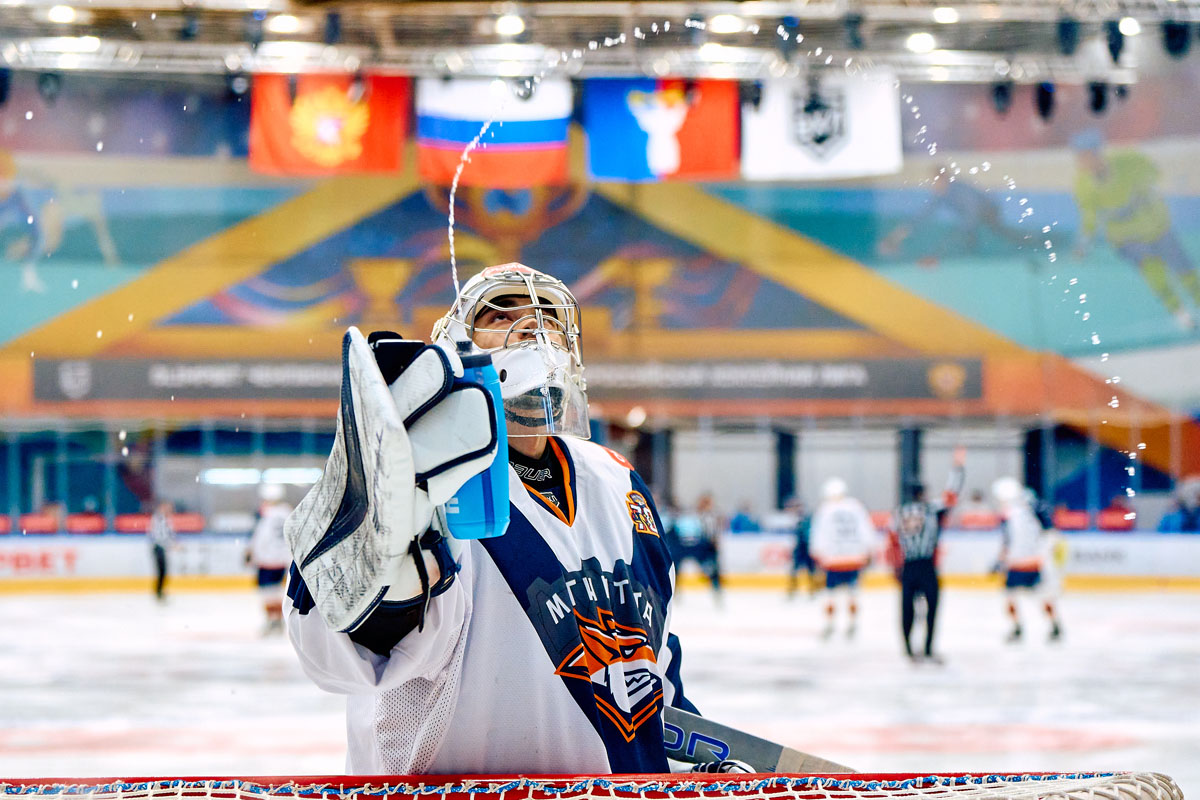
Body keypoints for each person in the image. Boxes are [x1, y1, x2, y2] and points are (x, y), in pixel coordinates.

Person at [283, 263, 710, 775]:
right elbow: (337, 659)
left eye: (548, 319)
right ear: (458, 347)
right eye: (501, 316)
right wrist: (383, 554)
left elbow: (655, 664)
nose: (530, 329)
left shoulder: (618, 479)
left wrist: (696, 768)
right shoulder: (424, 474)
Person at [1072, 129, 1200, 331]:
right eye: (1081, 158)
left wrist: (1146, 190)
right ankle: (1180, 313)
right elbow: (1089, 218)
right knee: (1155, 273)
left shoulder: (1129, 161)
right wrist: (1084, 244)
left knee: (1184, 269)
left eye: (1089, 155)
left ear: (1098, 152)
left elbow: (1154, 172)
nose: (1087, 162)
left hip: (1157, 227)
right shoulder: (1083, 186)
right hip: (1128, 239)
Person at [892, 448, 965, 664]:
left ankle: (908, 649)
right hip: (926, 565)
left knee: (907, 609)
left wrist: (895, 567)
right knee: (932, 609)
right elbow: (951, 495)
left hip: (908, 566)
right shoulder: (931, 509)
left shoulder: (898, 513)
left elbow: (892, 543)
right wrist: (958, 468)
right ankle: (928, 649)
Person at [992, 477, 1063, 643]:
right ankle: (1049, 626)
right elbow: (1049, 534)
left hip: (1027, 562)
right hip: (1025, 562)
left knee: (1022, 597)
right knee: (1024, 597)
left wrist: (1001, 559)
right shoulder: (1028, 510)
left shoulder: (1026, 511)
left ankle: (1026, 627)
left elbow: (1049, 534)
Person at [809, 477, 877, 639]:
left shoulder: (825, 509)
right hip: (854, 558)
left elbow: (818, 535)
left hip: (833, 560)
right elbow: (866, 530)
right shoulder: (856, 507)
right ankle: (852, 624)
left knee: (830, 594)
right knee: (852, 594)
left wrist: (817, 554)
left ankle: (830, 624)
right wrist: (868, 550)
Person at [247, 483, 293, 635]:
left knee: (268, 592)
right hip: (282, 558)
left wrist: (252, 553)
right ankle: (277, 620)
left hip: (266, 559)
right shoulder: (287, 512)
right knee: (276, 591)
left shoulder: (266, 514)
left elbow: (260, 537)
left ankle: (273, 620)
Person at [671, 492, 724, 603]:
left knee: (711, 569)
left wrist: (713, 544)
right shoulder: (691, 515)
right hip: (685, 546)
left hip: (703, 548)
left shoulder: (713, 516)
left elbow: (714, 534)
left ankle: (717, 590)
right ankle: (674, 592)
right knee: (675, 569)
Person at [785, 498, 817, 599]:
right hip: (799, 548)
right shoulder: (794, 519)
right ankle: (792, 590)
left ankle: (812, 590)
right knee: (795, 570)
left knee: (810, 570)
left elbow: (808, 533)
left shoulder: (807, 518)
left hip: (807, 547)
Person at [147, 500, 175, 602]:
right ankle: (158, 592)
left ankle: (160, 591)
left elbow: (168, 534)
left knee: (163, 571)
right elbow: (159, 535)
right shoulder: (159, 518)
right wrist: (169, 543)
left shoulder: (164, 519)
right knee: (161, 571)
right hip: (158, 547)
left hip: (160, 547)